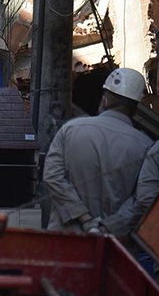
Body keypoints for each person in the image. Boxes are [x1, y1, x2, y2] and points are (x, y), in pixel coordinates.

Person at [44, 68, 153, 235]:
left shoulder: (71, 129)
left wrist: (84, 218)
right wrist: (107, 227)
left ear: (104, 100)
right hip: (115, 245)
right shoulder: (146, 145)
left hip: (65, 239)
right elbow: (142, 199)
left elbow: (52, 177)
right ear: (136, 108)